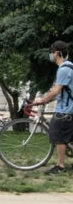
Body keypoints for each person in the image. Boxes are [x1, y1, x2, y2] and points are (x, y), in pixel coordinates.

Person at [33, 41, 73, 174]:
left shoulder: (64, 69)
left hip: (65, 110)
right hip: (68, 107)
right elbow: (64, 91)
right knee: (68, 137)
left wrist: (43, 100)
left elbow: (56, 90)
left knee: (58, 135)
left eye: (52, 52)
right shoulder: (68, 67)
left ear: (57, 53)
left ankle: (60, 166)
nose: (50, 54)